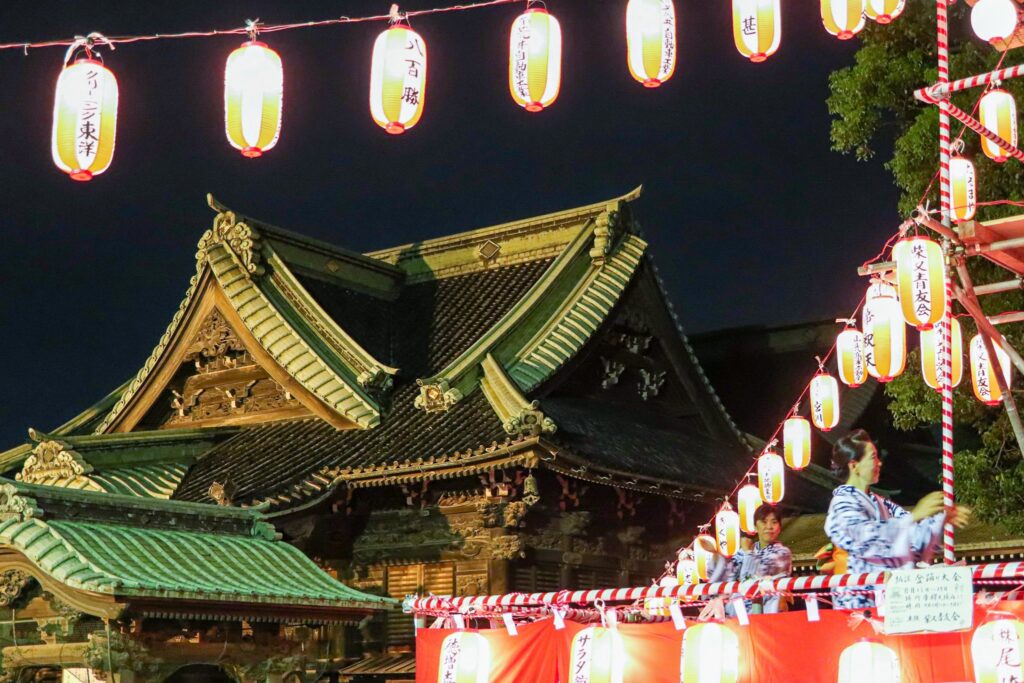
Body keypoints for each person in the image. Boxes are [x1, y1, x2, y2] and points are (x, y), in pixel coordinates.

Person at [824, 428, 971, 610]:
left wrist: (940, 520)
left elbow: (913, 536)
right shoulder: (842, 502)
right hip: (857, 600)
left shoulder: (882, 503)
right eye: (873, 457)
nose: (879, 463)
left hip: (891, 597)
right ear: (854, 466)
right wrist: (915, 516)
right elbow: (861, 537)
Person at [710, 505, 792, 614]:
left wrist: (748, 553)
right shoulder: (744, 551)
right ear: (755, 526)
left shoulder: (783, 553)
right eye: (764, 522)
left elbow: (752, 578)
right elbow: (729, 575)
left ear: (779, 527)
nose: (769, 526)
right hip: (741, 611)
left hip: (769, 609)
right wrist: (716, 557)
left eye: (774, 522)